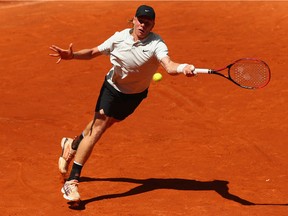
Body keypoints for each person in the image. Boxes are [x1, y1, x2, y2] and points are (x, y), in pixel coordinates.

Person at [49, 5, 195, 202]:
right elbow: (93, 52)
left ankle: (72, 144)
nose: (143, 24)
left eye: (147, 22)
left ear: (153, 25)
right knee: (97, 130)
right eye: (140, 20)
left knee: (107, 124)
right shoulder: (119, 38)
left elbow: (169, 66)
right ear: (133, 20)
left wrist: (184, 67)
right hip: (111, 88)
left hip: (134, 96)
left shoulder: (156, 44)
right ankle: (72, 181)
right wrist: (72, 55)